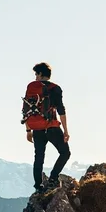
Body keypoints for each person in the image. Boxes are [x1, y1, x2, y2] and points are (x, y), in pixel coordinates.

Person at [22, 62, 71, 192]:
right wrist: (66, 131)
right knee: (65, 153)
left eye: (36, 74)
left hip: (37, 129)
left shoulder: (32, 89)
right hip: (51, 127)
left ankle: (38, 186)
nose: (35, 77)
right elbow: (61, 110)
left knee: (39, 157)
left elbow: (26, 110)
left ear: (40, 74)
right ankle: (53, 178)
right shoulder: (55, 88)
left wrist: (28, 130)